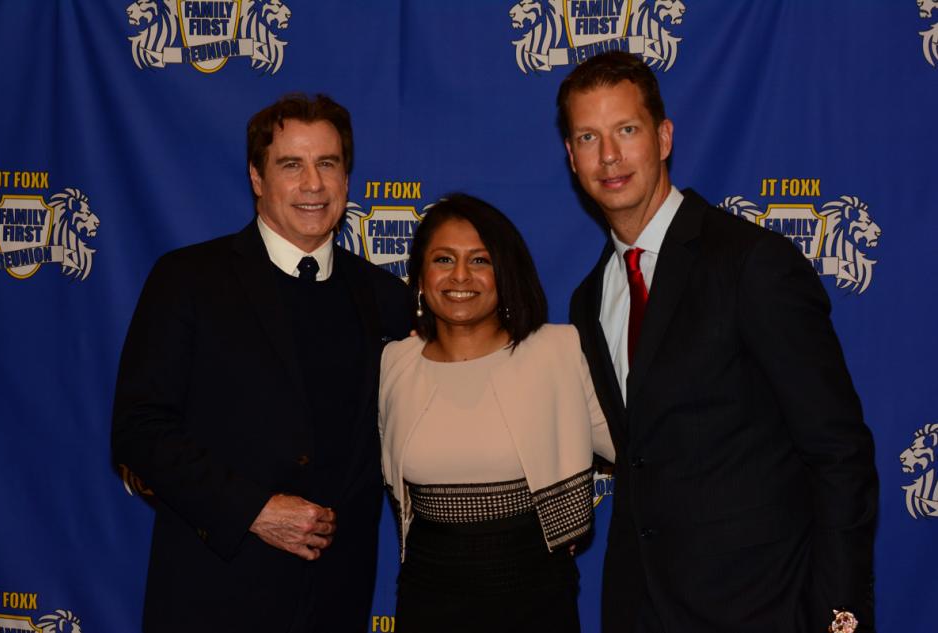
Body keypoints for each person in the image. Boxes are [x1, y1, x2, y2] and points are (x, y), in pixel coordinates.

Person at [559, 52, 878, 633]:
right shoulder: (590, 298)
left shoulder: (752, 263)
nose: (608, 156)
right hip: (642, 611)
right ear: (571, 156)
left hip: (764, 608)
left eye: (626, 130)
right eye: (588, 137)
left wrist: (838, 614)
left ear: (663, 138)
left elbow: (838, 452)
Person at [112, 94, 411, 632]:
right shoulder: (188, 280)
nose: (313, 184)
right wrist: (253, 510)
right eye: (291, 165)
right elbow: (139, 429)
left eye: (327, 164)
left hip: (336, 601)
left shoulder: (385, 296)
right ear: (257, 177)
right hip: (214, 596)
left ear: (347, 178)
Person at [378, 193, 614, 633]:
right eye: (443, 259)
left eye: (480, 260)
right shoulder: (396, 362)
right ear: (420, 277)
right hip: (427, 594)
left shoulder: (556, 352)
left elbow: (636, 452)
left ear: (505, 274)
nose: (460, 275)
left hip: (535, 593)